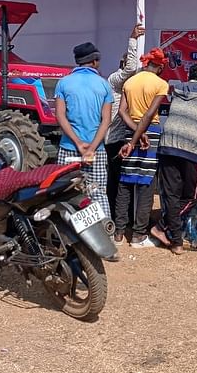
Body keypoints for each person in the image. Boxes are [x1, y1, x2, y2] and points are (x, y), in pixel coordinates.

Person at [126, 62, 197, 255]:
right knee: (193, 195)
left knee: (172, 195)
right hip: (191, 148)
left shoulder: (177, 90)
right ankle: (164, 227)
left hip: (167, 145)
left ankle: (175, 240)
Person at [54, 42, 116, 261]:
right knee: (98, 194)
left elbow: (60, 117)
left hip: (68, 149)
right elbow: (106, 120)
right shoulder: (103, 85)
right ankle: (106, 242)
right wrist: (91, 146)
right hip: (96, 151)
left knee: (64, 193)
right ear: (95, 61)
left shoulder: (63, 83)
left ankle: (66, 239)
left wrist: (79, 144)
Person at [114, 47, 169, 247]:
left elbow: (122, 112)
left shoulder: (129, 82)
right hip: (150, 133)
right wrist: (142, 134)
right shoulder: (161, 84)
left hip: (130, 131)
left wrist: (134, 136)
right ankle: (138, 234)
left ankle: (119, 232)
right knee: (146, 183)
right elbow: (148, 115)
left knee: (125, 182)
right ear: (160, 66)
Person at [104, 24, 145, 208]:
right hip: (114, 138)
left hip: (128, 138)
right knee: (116, 180)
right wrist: (133, 40)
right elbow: (130, 68)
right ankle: (114, 215)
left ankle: (126, 215)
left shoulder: (134, 87)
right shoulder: (115, 80)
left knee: (127, 180)